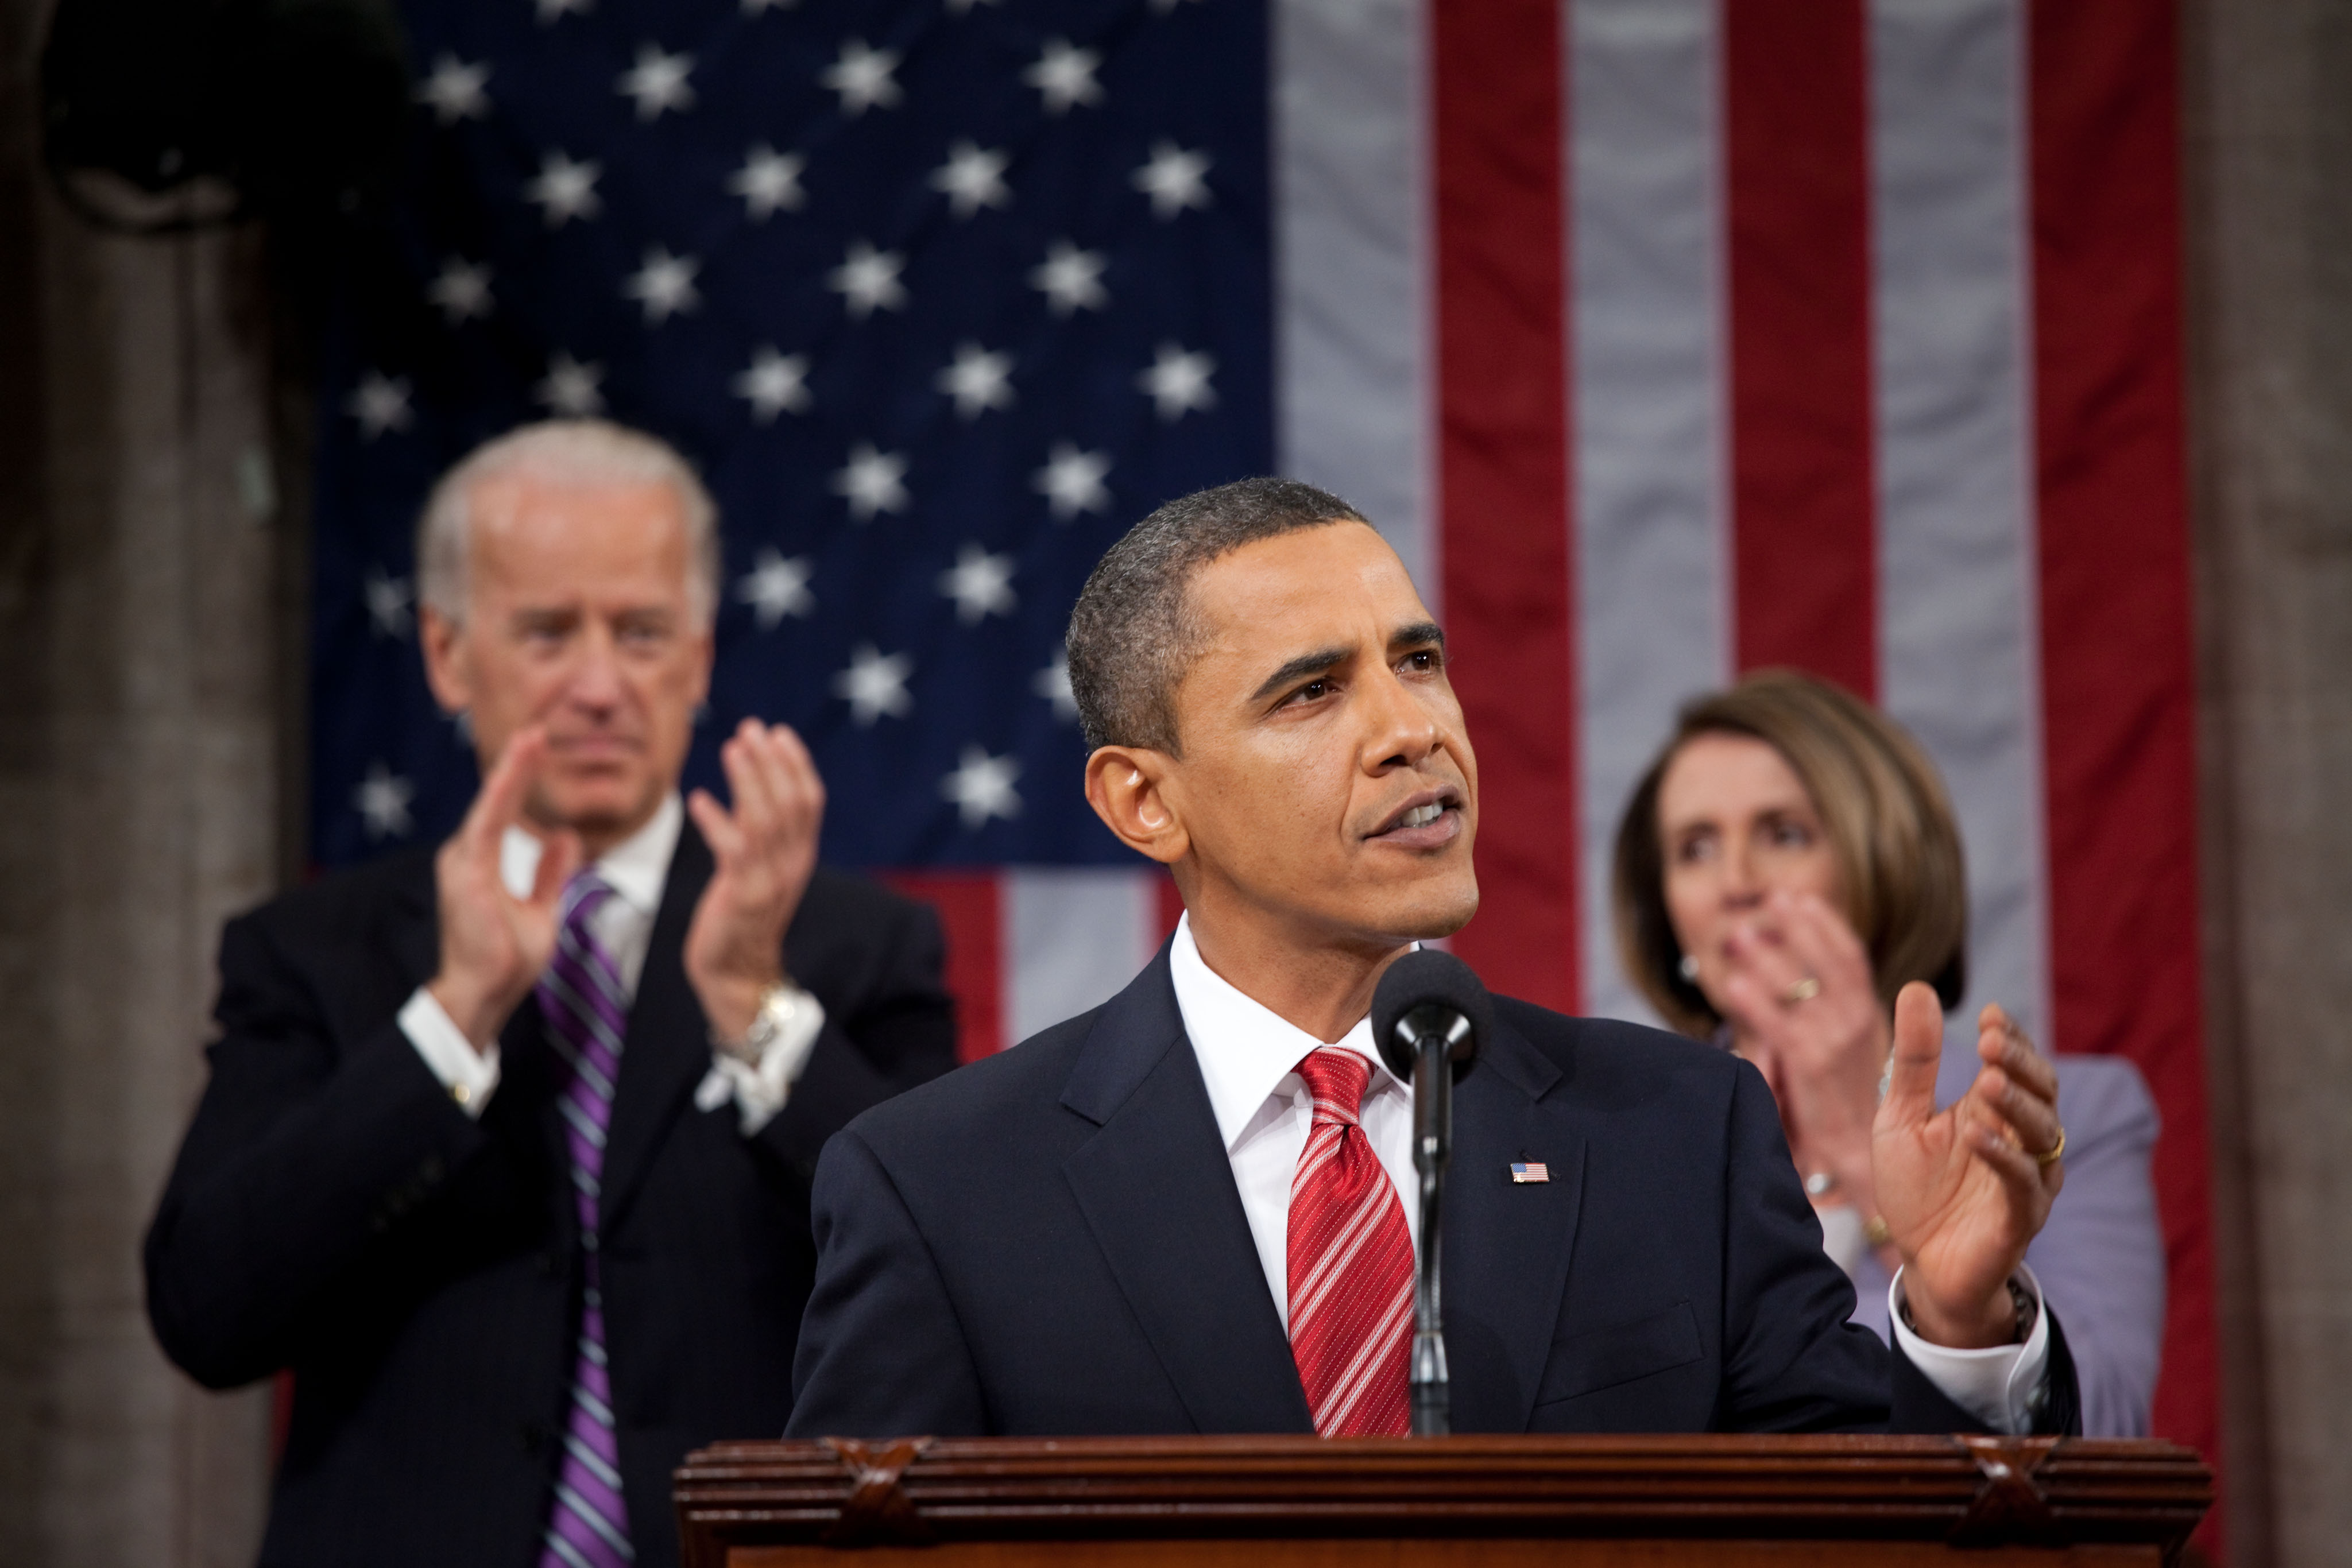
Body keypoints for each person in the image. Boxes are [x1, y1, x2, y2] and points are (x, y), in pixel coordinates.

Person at [786, 478, 2082, 1443]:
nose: (1413, 730)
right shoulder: (943, 1192)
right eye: (1312, 692)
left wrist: (1958, 1326)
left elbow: (1853, 1527)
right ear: (1143, 801)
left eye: (1417, 662)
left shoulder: (1677, 1134)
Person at [144, 421, 957, 1568]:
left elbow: (955, 1293)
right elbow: (206, 1312)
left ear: (700, 657)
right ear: (444, 653)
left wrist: (750, 1005)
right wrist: (451, 1017)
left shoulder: (852, 947)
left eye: (639, 633)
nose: (597, 686)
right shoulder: (311, 952)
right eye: (545, 632)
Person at [1608, 669, 2164, 1437]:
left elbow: (2101, 1433)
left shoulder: (2073, 1115)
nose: (1736, 884)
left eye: (1783, 834)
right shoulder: (1611, 1139)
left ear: (1885, 862)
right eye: (1695, 847)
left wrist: (1855, 1147)